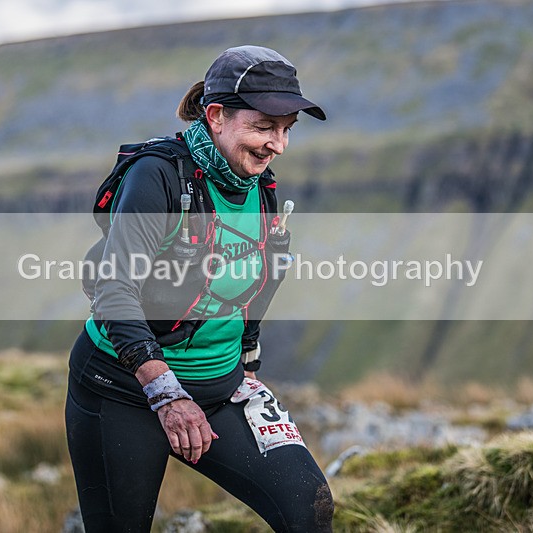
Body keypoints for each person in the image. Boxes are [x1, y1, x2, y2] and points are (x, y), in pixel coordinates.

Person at [65, 45, 333, 532]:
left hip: (220, 389)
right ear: (216, 116)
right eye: (264, 126)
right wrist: (167, 395)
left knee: (307, 509)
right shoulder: (159, 176)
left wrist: (249, 366)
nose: (279, 144)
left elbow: (257, 285)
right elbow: (115, 288)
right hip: (124, 391)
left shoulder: (262, 187)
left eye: (287, 128)